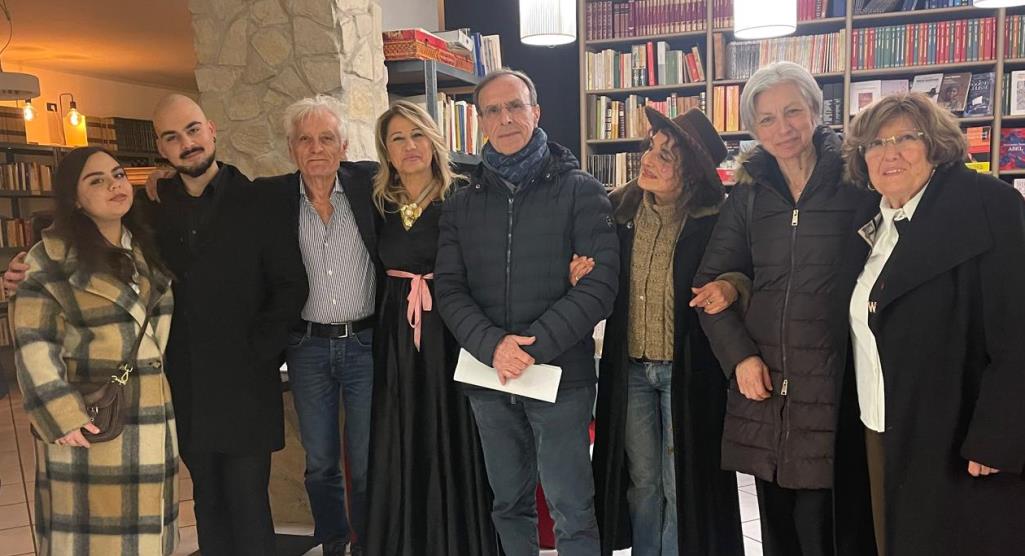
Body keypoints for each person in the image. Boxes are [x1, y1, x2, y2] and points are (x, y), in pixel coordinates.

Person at [434, 68, 619, 556]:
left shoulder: (582, 190)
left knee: (571, 510)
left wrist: (529, 349)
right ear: (480, 122)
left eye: (515, 106)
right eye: (493, 110)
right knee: (508, 506)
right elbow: (449, 288)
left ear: (536, 112)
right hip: (489, 376)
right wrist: (495, 346)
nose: (506, 118)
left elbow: (600, 287)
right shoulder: (461, 203)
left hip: (560, 377)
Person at [693, 62, 875, 556]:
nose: (783, 128)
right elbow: (708, 288)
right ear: (754, 128)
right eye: (767, 119)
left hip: (837, 385)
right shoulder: (749, 194)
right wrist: (739, 358)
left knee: (831, 528)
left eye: (793, 111)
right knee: (778, 531)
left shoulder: (858, 182)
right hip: (766, 387)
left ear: (816, 110)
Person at [840, 92, 1025, 556]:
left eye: (906, 138)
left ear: (936, 145)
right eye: (875, 144)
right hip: (880, 421)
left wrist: (999, 435)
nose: (890, 154)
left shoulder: (989, 205)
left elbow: (1018, 329)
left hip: (957, 434)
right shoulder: (869, 219)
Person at [592, 107, 744, 556]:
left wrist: (732, 287)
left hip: (689, 371)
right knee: (642, 480)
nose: (648, 160)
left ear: (691, 173)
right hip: (632, 370)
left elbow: (745, 271)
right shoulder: (618, 213)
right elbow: (595, 269)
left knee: (682, 484)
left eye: (666, 155)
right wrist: (581, 268)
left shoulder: (716, 221)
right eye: (651, 148)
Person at [13, 147, 177, 554]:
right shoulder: (49, 259)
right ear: (74, 198)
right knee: (94, 539)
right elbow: (34, 342)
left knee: (146, 536)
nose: (114, 186)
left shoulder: (142, 248)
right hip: (91, 419)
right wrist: (61, 415)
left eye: (118, 175)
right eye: (96, 181)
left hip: (151, 415)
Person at [361, 100, 498, 556]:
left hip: (451, 327)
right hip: (397, 331)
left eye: (417, 134)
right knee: (402, 427)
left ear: (433, 139)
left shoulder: (463, 195)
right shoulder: (377, 201)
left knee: (453, 425)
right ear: (386, 149)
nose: (409, 146)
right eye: (397, 138)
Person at [253, 94, 379, 556]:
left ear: (344, 146)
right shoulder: (272, 198)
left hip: (365, 344)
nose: (316, 148)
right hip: (307, 347)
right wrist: (162, 181)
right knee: (321, 460)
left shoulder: (370, 186)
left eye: (327, 138)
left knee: (365, 459)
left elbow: (430, 173)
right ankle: (333, 541)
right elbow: (217, 192)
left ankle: (367, 543)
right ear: (291, 149)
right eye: (305, 140)